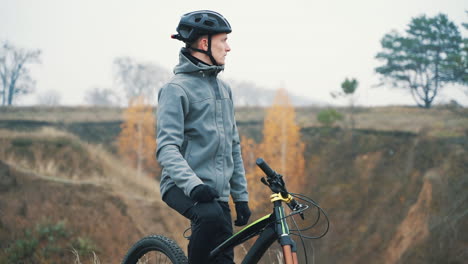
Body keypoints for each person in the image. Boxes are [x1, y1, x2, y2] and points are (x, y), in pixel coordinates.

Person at [156, 10, 251, 264]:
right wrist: (194, 186)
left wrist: (240, 197)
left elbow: (233, 146)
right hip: (181, 186)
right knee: (209, 217)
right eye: (223, 40)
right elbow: (166, 148)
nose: (228, 48)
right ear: (204, 43)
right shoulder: (175, 90)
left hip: (216, 193)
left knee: (223, 260)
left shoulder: (224, 89)